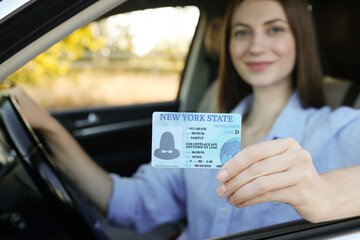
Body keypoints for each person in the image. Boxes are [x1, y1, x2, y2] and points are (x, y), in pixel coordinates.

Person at [4, 0, 360, 239]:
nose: (255, 46)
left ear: (301, 39)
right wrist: (48, 126)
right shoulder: (202, 130)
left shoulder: (339, 128)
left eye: (275, 29)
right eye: (242, 32)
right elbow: (129, 203)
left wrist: (325, 193)